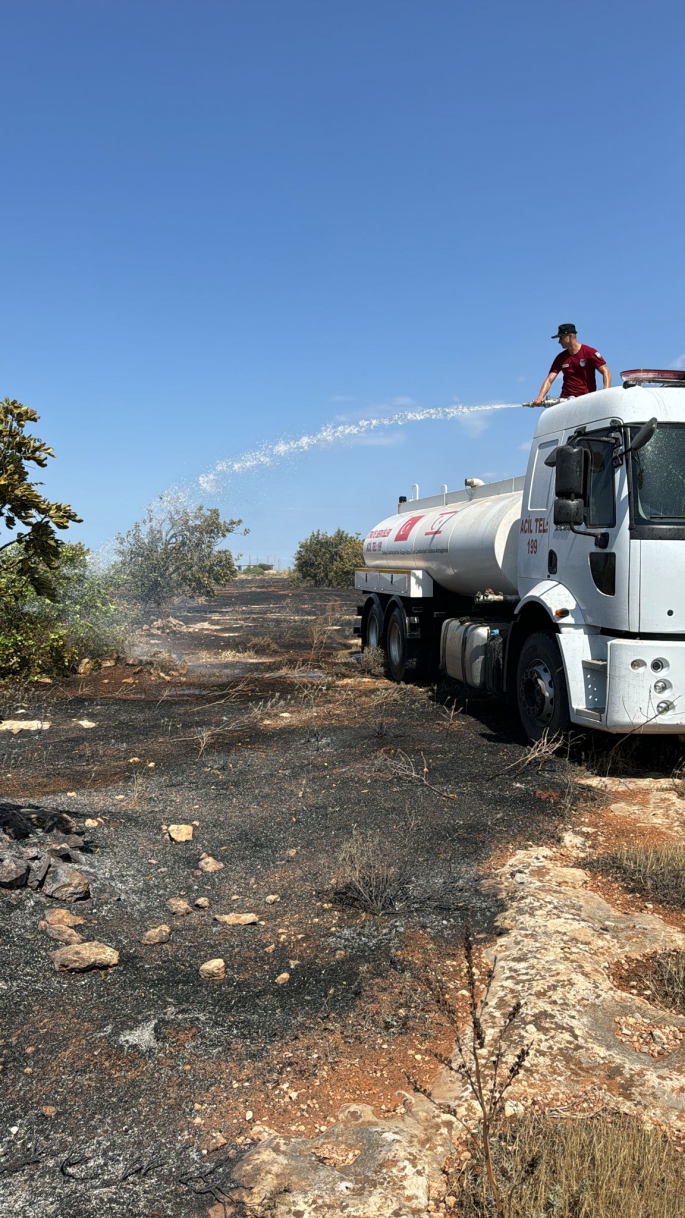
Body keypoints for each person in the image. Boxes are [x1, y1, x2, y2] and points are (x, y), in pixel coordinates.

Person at [534, 323, 611, 404]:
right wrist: (540, 397)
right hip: (566, 400)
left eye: (561, 338)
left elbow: (606, 371)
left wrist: (606, 392)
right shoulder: (560, 358)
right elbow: (549, 379)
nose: (559, 342)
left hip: (586, 399)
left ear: (570, 336)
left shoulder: (589, 352)